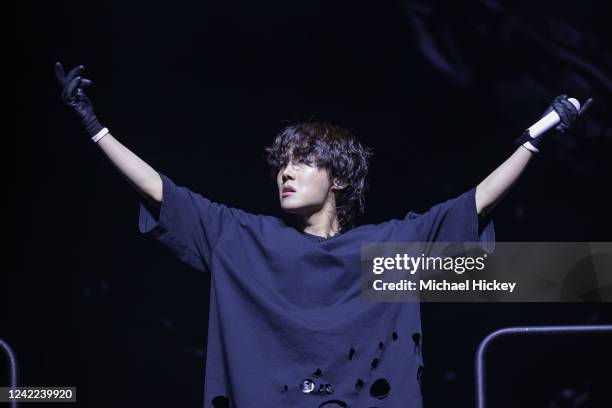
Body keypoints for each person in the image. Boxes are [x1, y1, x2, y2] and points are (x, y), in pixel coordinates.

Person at [54, 62, 591, 407]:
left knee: (570, 275)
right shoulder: (241, 239)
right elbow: (160, 192)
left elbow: (478, 201)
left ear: (336, 178)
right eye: (280, 164)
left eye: (302, 161)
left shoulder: (386, 254)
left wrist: (537, 135)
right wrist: (95, 128)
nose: (285, 172)